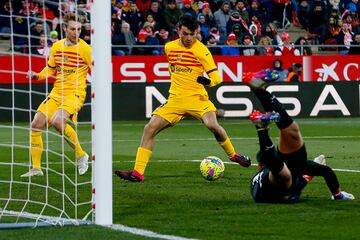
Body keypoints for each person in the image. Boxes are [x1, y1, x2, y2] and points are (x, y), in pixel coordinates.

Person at [115, 15, 251, 182]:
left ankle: (233, 155)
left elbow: (217, 77)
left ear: (197, 32)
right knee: (149, 128)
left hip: (198, 98)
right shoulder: (169, 48)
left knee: (213, 125)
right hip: (176, 100)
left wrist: (207, 81)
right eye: (185, 33)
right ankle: (138, 173)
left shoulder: (202, 50)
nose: (189, 38)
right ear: (178, 30)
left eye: (192, 34)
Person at [242, 71, 355, 203]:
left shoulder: (295, 175)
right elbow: (326, 172)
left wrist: (262, 162)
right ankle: (259, 94)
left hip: (264, 188)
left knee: (283, 172)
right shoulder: (300, 174)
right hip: (268, 188)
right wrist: (337, 195)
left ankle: (261, 118)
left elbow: (263, 156)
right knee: (292, 130)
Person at [21, 12, 91, 177]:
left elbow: (98, 70)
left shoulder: (85, 49)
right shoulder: (57, 46)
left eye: (79, 29)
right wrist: (37, 75)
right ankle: (36, 169)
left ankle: (81, 156)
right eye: (73, 29)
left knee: (58, 121)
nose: (77, 32)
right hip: (57, 92)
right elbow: (51, 68)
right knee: (36, 124)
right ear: (65, 28)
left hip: (75, 93)